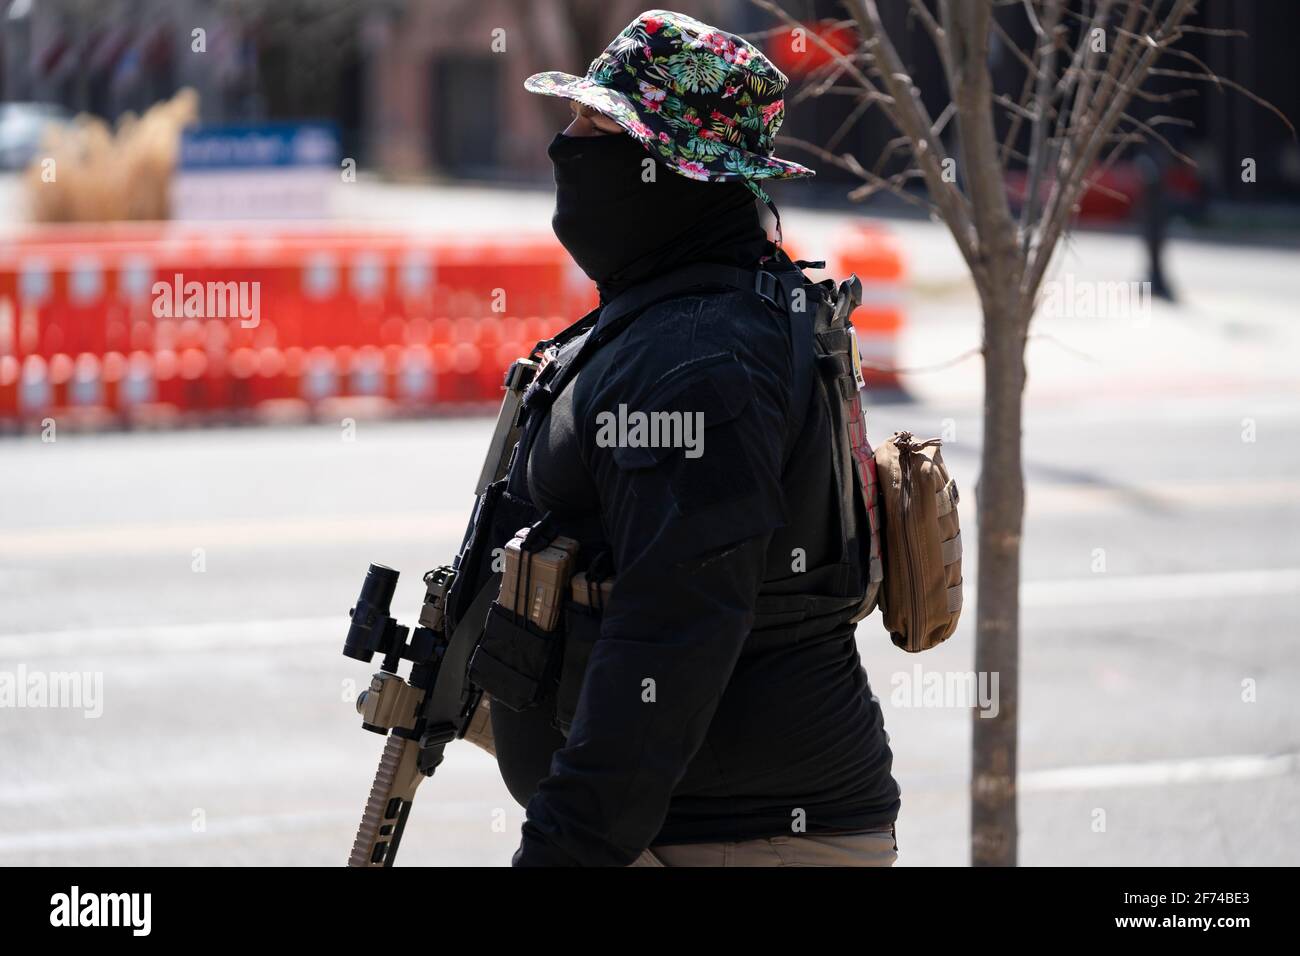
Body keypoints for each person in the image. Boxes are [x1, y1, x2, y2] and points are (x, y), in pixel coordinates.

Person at [490, 9, 900, 867]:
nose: (567, 145)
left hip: (739, 838)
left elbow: (674, 631)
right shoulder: (686, 312)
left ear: (669, 169)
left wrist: (566, 849)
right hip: (693, 821)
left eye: (598, 127)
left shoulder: (698, 357)